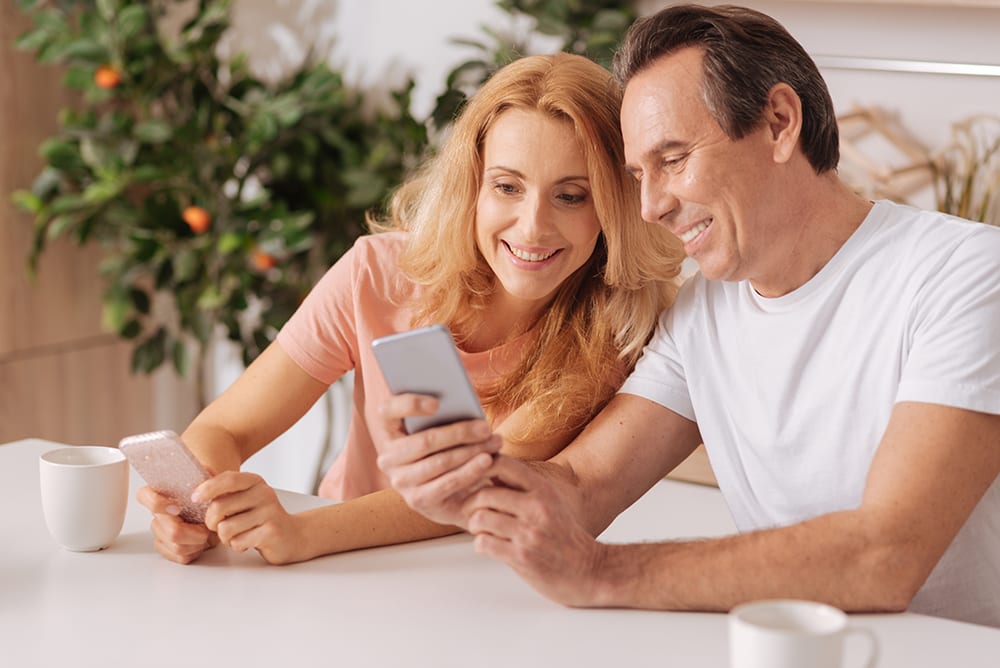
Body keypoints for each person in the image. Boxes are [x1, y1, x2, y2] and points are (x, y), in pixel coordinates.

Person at [377, 4, 1000, 627]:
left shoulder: (966, 274)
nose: (649, 206)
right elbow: (583, 487)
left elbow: (886, 555)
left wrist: (598, 572)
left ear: (779, 123)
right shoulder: (704, 310)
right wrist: (472, 481)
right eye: (638, 174)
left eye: (672, 160)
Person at [135, 52, 684, 565]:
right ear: (473, 186)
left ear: (613, 205)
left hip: (482, 580)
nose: (533, 226)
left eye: (571, 196)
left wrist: (303, 533)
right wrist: (197, 502)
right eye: (507, 187)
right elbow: (227, 426)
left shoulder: (613, 328)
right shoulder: (376, 274)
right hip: (337, 570)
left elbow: (474, 486)